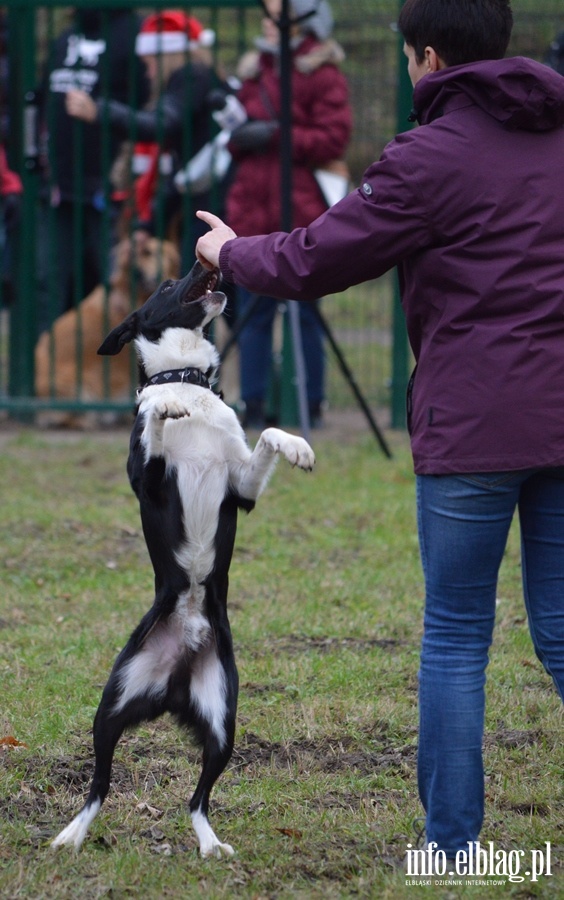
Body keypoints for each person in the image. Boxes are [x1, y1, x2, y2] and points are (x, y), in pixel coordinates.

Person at [195, 0, 564, 868]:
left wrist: (229, 254)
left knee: (458, 634)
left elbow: (316, 258)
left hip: (475, 426)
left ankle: (452, 849)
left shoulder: (428, 154)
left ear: (428, 57)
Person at [224, 0, 352, 427]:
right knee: (252, 314)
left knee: (306, 312)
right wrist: (241, 135)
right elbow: (232, 133)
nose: (266, 16)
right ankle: (254, 405)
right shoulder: (252, 69)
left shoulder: (322, 71)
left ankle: (311, 404)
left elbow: (334, 137)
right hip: (251, 207)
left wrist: (278, 136)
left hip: (298, 208)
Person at [65, 10, 227, 273]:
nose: (149, 74)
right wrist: (149, 227)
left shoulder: (192, 78)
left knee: (207, 279)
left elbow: (160, 124)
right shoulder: (194, 78)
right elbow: (181, 174)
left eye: (151, 64)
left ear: (167, 58)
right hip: (207, 196)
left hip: (219, 199)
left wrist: (100, 111)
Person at [35, 8, 149, 333]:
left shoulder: (134, 33)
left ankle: (135, 371)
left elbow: (146, 108)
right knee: (48, 280)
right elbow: (44, 98)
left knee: (120, 282)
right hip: (59, 186)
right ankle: (46, 368)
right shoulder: (65, 37)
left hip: (111, 186)